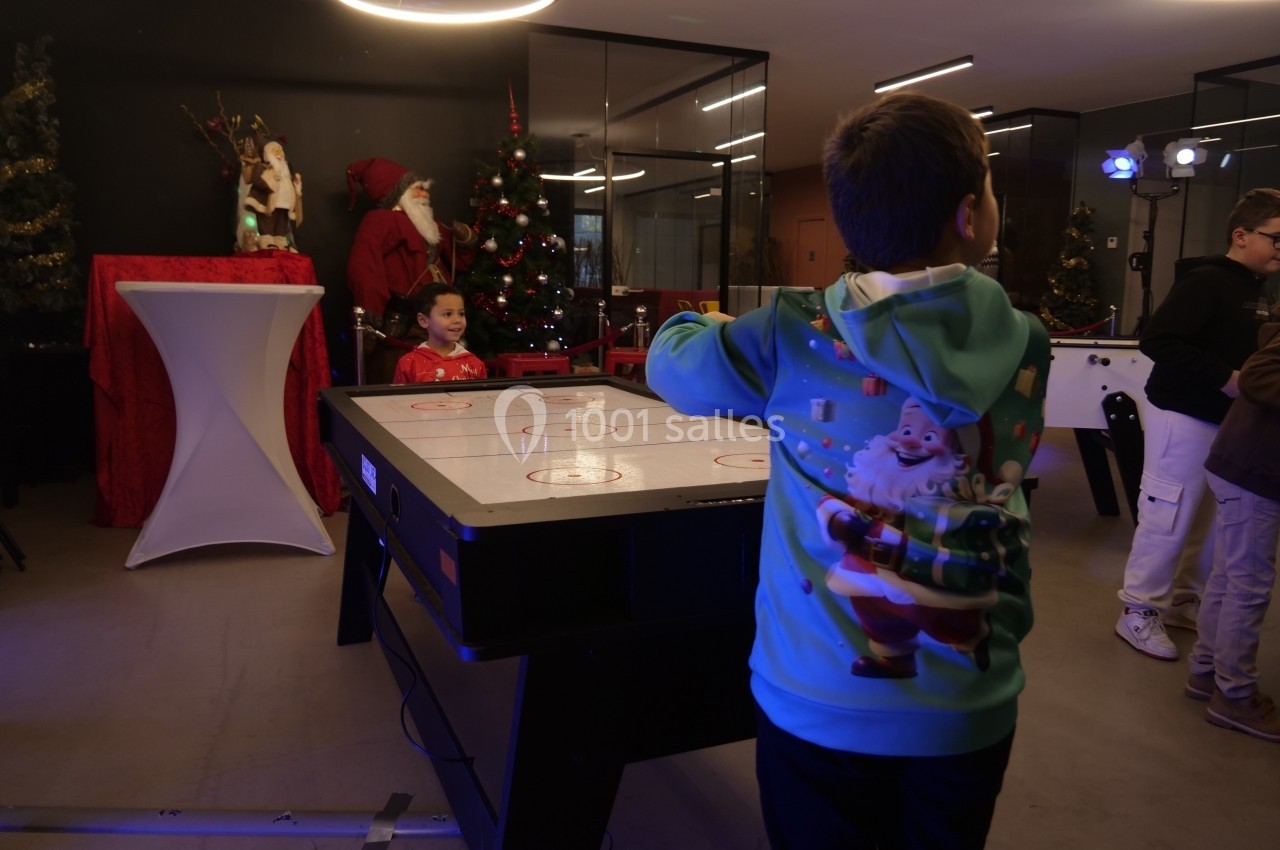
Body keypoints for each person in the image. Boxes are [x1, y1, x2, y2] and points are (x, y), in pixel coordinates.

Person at [646, 92, 1049, 850]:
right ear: (970, 216)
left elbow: (674, 369)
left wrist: (708, 321)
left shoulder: (790, 334)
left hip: (819, 697)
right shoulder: (1027, 339)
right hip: (969, 702)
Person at [1114, 188, 1280, 661]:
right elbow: (1157, 339)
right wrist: (1224, 377)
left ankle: (1181, 598)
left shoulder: (1256, 288)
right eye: (1277, 239)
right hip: (1183, 412)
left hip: (1225, 420)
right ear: (1242, 235)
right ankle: (1138, 608)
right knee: (1170, 510)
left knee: (1207, 519)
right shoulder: (1207, 281)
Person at [1185, 224, 1280, 743]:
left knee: (1229, 576)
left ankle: (1206, 671)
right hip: (1254, 467)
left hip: (1248, 465)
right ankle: (1235, 695)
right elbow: (1262, 377)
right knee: (1247, 583)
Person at [346, 157, 477, 383]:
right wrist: (371, 312)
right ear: (399, 193)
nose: (425, 195)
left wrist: (465, 239)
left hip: (438, 318)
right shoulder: (379, 220)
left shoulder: (428, 222)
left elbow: (458, 260)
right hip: (402, 322)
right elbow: (365, 268)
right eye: (417, 189)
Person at [392, 283, 487, 384]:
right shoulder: (409, 363)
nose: (458, 320)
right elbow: (399, 399)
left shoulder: (474, 364)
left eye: (461, 314)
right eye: (448, 314)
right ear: (423, 320)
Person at [243, 137, 302, 251]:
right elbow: (257, 180)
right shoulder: (263, 167)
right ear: (268, 154)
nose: (279, 153)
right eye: (276, 151)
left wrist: (297, 184)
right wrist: (271, 180)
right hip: (267, 204)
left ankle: (280, 241)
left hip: (284, 205)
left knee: (281, 223)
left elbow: (291, 185)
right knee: (267, 222)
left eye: (280, 151)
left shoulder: (286, 172)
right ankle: (267, 241)